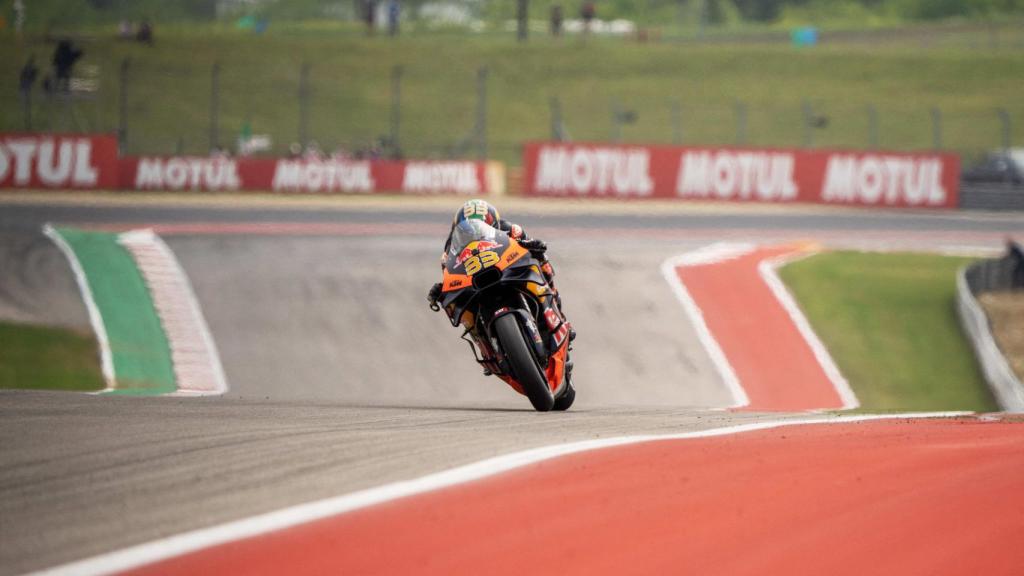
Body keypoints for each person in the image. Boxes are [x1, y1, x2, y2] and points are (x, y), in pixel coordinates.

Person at [427, 199, 558, 307]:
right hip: (475, 284)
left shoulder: (511, 228)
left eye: (482, 228)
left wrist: (534, 247)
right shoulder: (450, 247)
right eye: (468, 231)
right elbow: (449, 273)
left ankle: (554, 303)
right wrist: (442, 288)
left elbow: (531, 246)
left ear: (495, 225)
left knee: (542, 262)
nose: (476, 234)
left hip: (509, 270)